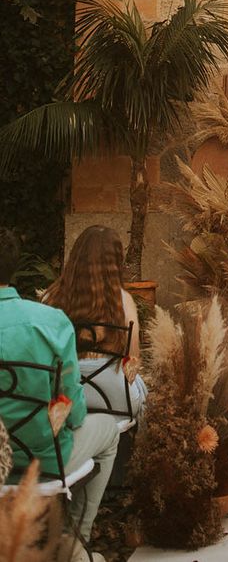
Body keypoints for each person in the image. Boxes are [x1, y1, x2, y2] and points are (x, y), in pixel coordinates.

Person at [0, 228, 118, 561]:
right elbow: (74, 408)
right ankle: (72, 539)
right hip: (46, 459)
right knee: (108, 429)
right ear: (14, 266)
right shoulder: (50, 322)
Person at [44, 225, 147, 422]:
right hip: (114, 400)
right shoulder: (124, 301)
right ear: (116, 262)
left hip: (64, 397)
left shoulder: (50, 297)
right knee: (142, 389)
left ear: (76, 257)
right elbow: (132, 363)